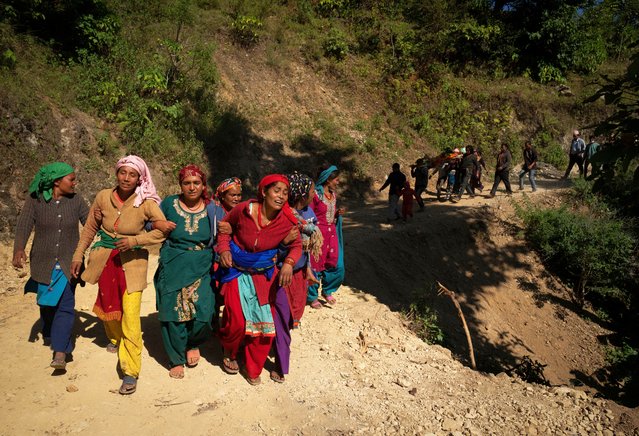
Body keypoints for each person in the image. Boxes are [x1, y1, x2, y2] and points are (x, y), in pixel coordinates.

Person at [71, 155, 166, 395]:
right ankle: (114, 339)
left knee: (131, 316)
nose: (126, 178)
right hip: (105, 260)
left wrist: (135, 240)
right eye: (123, 173)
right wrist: (77, 255)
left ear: (139, 178)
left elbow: (162, 231)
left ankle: (130, 371)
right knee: (109, 307)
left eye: (132, 174)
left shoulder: (146, 202)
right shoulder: (103, 197)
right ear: (117, 173)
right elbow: (90, 228)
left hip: (132, 264)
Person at [216, 174, 301, 385]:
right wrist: (224, 249)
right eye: (276, 190)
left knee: (264, 327)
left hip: (264, 276)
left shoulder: (286, 221)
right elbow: (225, 229)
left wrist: (289, 263)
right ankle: (230, 350)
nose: (281, 196)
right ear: (264, 192)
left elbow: (297, 245)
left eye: (285, 192)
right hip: (237, 270)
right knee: (236, 319)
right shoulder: (244, 209)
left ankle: (253, 367)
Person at [13, 163, 89, 370]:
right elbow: (24, 225)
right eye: (71, 179)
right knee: (47, 304)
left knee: (65, 305)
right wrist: (18, 249)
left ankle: (61, 352)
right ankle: (49, 328)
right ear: (57, 181)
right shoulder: (35, 200)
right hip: (42, 262)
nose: (75, 183)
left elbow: (90, 224)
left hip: (69, 263)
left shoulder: (76, 201)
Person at [154, 165, 215, 379]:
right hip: (173, 262)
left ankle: (193, 342)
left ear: (203, 185)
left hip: (201, 263)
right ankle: (176, 357)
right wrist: (158, 223)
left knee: (204, 314)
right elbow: (148, 222)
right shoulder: (169, 203)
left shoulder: (212, 208)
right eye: (186, 183)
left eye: (196, 183)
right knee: (173, 313)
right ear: (180, 185)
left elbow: (228, 227)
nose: (191, 187)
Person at [270, 172, 324, 383]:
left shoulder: (308, 212)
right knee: (282, 316)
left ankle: (280, 344)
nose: (314, 194)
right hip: (284, 273)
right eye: (311, 191)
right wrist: (285, 243)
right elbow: (274, 246)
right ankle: (279, 355)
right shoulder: (284, 215)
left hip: (300, 272)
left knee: (294, 312)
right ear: (302, 193)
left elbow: (307, 247)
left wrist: (308, 268)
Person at [308, 165, 345, 308]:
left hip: (331, 235)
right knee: (315, 264)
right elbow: (310, 214)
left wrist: (337, 214)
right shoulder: (315, 195)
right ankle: (312, 296)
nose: (338, 182)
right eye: (336, 179)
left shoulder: (333, 195)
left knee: (336, 264)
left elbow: (329, 214)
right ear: (327, 180)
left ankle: (327, 290)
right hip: (318, 236)